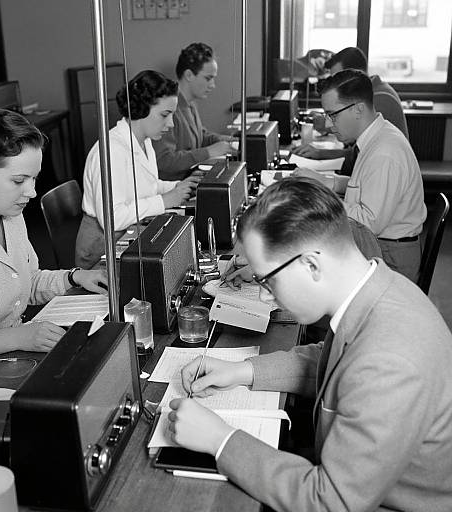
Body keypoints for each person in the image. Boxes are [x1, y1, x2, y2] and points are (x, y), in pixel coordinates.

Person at [168, 178, 452, 512]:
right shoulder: (379, 287)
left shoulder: (390, 361)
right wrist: (240, 371)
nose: (263, 294)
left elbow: (330, 501)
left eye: (268, 280)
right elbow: (335, 361)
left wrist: (219, 440)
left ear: (311, 264)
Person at [0, 109, 107, 372]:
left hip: (14, 355)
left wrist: (74, 277)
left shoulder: (10, 213)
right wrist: (16, 337)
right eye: (19, 180)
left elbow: (24, 284)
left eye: (34, 178)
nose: (31, 191)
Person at [295, 69, 426, 282]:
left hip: (389, 258)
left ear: (357, 109)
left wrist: (320, 197)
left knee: (308, 272)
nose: (328, 124)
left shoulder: (384, 152)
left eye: (333, 114)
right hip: (383, 246)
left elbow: (368, 224)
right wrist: (328, 182)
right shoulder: (377, 136)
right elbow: (366, 186)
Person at [75, 70, 201, 269]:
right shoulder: (111, 151)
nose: (170, 124)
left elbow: (147, 186)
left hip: (129, 237)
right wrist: (166, 200)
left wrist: (178, 187)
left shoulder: (144, 141)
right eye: (165, 115)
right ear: (141, 109)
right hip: (101, 252)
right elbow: (113, 219)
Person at [294, 46, 409, 170]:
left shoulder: (379, 98)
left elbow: (356, 155)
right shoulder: (374, 90)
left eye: (340, 77)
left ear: (354, 74)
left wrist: (320, 152)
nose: (335, 84)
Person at [152, 43, 236, 180]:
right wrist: (208, 152)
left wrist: (230, 142)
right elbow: (164, 160)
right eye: (208, 78)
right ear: (189, 75)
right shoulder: (168, 109)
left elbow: (199, 136)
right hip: (173, 187)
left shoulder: (189, 103)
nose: (213, 85)